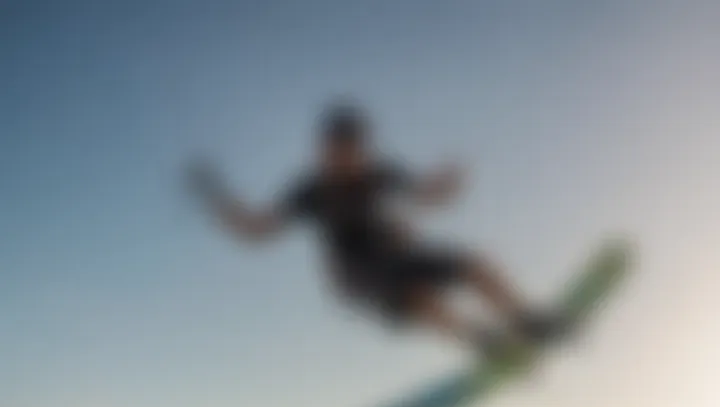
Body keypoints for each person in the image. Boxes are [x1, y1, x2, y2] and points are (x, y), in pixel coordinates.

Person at [187, 103, 569, 356]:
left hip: (392, 254)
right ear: (323, 151)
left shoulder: (379, 173)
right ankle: (480, 342)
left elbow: (423, 193)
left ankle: (527, 322)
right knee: (417, 295)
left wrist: (444, 185)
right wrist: (220, 203)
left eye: (349, 151)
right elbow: (258, 228)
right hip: (356, 276)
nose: (341, 160)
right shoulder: (311, 191)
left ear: (361, 148)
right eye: (333, 152)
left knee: (473, 265)